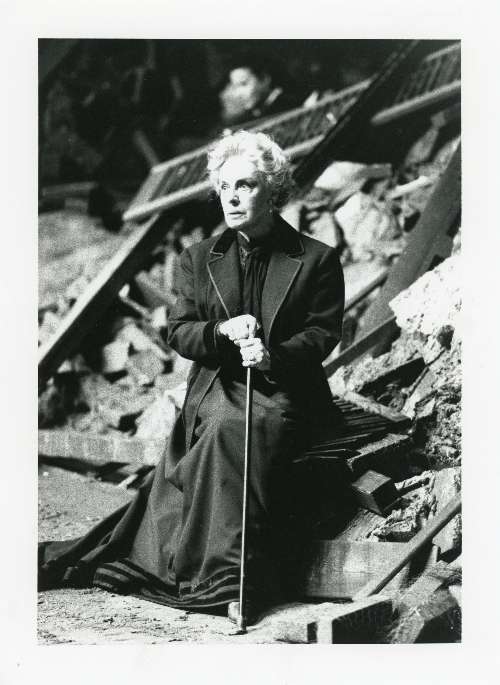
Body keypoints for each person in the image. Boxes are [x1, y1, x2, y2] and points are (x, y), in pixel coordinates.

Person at [38, 130, 345, 625]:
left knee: (247, 426)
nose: (232, 197)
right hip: (217, 386)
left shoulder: (316, 259)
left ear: (273, 190)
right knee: (225, 424)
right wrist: (221, 332)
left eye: (245, 185)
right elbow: (180, 332)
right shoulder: (199, 259)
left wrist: (272, 356)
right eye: (224, 187)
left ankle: (226, 576)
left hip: (287, 387)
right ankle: (224, 579)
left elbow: (323, 333)